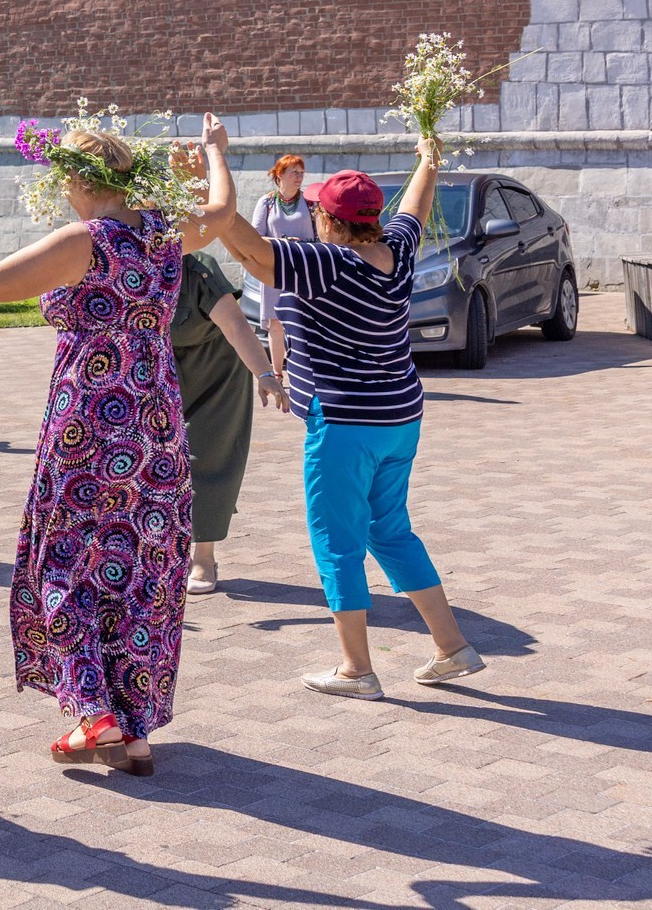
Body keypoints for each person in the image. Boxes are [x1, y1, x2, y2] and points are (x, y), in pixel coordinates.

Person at [0, 110, 227, 777]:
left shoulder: (85, 240)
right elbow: (221, 212)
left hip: (90, 428)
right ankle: (133, 731)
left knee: (65, 563)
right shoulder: (163, 231)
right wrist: (217, 152)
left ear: (81, 181)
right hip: (156, 425)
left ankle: (94, 711)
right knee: (139, 571)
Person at [200, 121, 485, 699]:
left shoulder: (326, 263)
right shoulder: (396, 251)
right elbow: (416, 205)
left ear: (327, 221)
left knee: (337, 541)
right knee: (390, 529)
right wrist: (428, 158)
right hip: (399, 418)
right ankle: (453, 647)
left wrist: (216, 161)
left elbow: (247, 247)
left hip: (345, 425)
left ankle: (357, 670)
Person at [167, 247, 292, 594]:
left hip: (217, 371)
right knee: (155, 461)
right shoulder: (122, 260)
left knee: (205, 456)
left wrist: (265, 373)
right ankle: (163, 552)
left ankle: (203, 556)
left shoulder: (197, 268)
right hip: (162, 370)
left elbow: (236, 325)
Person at [248, 154, 314, 364]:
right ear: (280, 175)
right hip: (275, 268)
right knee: (276, 322)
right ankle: (277, 372)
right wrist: (282, 242)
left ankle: (301, 369)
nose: (299, 177)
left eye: (301, 173)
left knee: (301, 320)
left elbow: (319, 235)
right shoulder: (267, 202)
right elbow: (255, 237)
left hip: (303, 267)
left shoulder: (309, 203)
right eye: (294, 172)